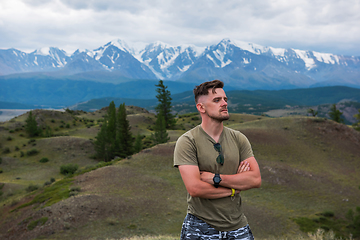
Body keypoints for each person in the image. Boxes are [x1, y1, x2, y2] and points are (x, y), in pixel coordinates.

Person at [173, 80, 262, 239]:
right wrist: (235, 188)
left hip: (238, 225)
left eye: (225, 99)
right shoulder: (188, 141)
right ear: (201, 108)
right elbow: (195, 189)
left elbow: (255, 179)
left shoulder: (239, 139)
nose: (224, 103)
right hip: (200, 227)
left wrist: (216, 178)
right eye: (217, 100)